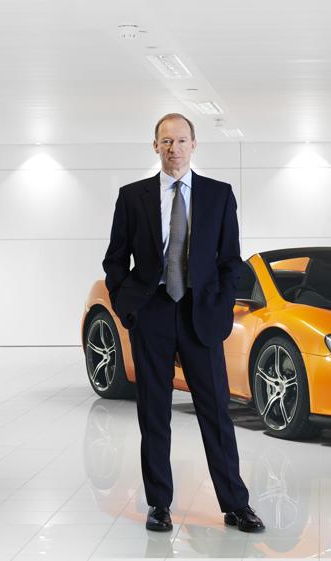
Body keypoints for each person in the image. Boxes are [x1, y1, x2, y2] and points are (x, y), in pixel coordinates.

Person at [102, 113, 264, 533]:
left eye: (181, 140)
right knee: (154, 414)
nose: (173, 148)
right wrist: (127, 307)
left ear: (194, 145)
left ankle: (235, 505)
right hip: (151, 311)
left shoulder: (218, 195)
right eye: (166, 141)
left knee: (215, 414)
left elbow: (232, 262)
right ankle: (158, 504)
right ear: (155, 146)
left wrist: (224, 304)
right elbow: (115, 260)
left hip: (201, 313)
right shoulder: (132, 196)